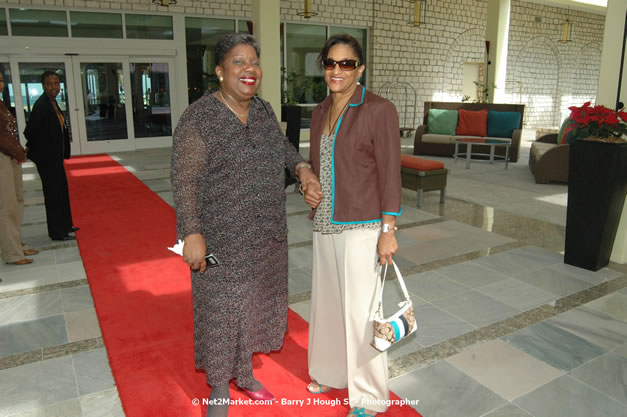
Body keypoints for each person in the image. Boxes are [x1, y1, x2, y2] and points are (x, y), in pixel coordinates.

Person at [170, 32, 321, 417]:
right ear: (220, 71)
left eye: (254, 61)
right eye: (239, 61)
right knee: (221, 314)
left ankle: (245, 374)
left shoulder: (264, 111)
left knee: (252, 309)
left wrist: (302, 168)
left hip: (265, 235)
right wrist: (191, 232)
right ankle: (219, 392)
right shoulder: (199, 117)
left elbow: (285, 149)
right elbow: (183, 180)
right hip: (219, 240)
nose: (249, 68)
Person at [305, 34, 402, 417]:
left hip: (362, 224)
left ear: (360, 68)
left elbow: (390, 172)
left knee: (361, 314)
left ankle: (368, 397)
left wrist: (388, 230)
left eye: (346, 64)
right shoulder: (319, 111)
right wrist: (307, 186)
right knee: (328, 306)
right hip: (325, 223)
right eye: (330, 63)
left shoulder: (378, 109)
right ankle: (331, 372)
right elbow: (316, 167)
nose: (337, 70)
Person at [24, 71, 78, 241]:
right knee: (54, 194)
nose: (53, 87)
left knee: (61, 191)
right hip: (47, 159)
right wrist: (43, 147)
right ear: (43, 85)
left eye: (56, 83)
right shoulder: (41, 105)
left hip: (55, 157)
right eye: (49, 84)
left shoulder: (52, 102)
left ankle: (65, 225)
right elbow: (30, 132)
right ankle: (57, 232)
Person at [0, 72, 39, 265]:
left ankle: (18, 244)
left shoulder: (1, 104)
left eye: (0, 80)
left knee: (17, 201)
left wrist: (18, 152)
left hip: (10, 156)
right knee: (7, 207)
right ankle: (12, 253)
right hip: (3, 158)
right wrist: (19, 153)